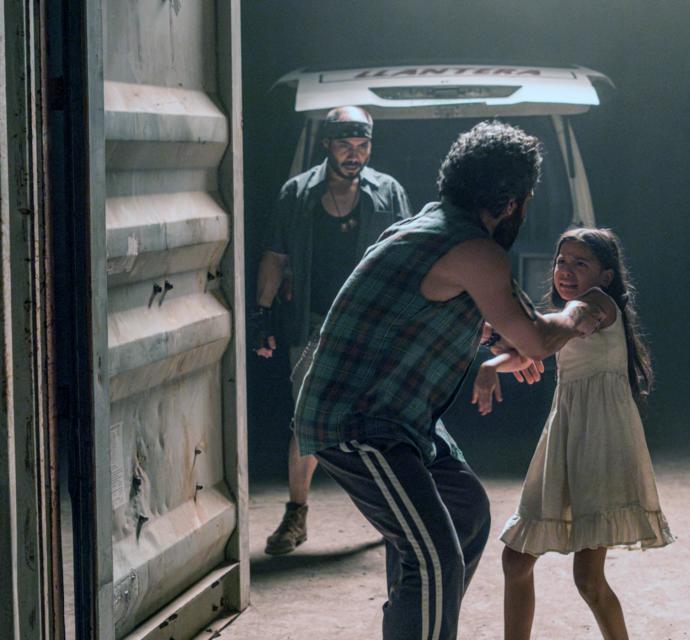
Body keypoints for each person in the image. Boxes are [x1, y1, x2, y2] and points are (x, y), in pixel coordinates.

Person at [291, 121, 610, 639]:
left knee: (463, 510)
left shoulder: (429, 226)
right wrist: (577, 314)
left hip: (399, 417)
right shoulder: (473, 249)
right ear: (512, 202)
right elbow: (535, 340)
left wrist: (497, 330)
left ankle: (414, 626)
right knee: (434, 558)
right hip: (359, 422)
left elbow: (444, 305)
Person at [473, 228, 675, 640]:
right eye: (562, 261)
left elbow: (554, 329)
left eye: (580, 263)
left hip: (601, 439)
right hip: (566, 432)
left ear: (606, 276)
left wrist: (496, 334)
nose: (566, 270)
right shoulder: (564, 315)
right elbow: (534, 346)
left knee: (588, 578)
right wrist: (494, 360)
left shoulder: (594, 305)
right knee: (516, 561)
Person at [250, 106, 412, 555]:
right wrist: (262, 316)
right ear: (327, 144)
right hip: (313, 323)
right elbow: (275, 257)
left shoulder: (389, 192)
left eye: (362, 146)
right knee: (307, 422)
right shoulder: (297, 194)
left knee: (379, 422)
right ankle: (296, 516)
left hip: (371, 326)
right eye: (345, 144)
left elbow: (407, 257)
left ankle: (392, 516)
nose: (354, 154)